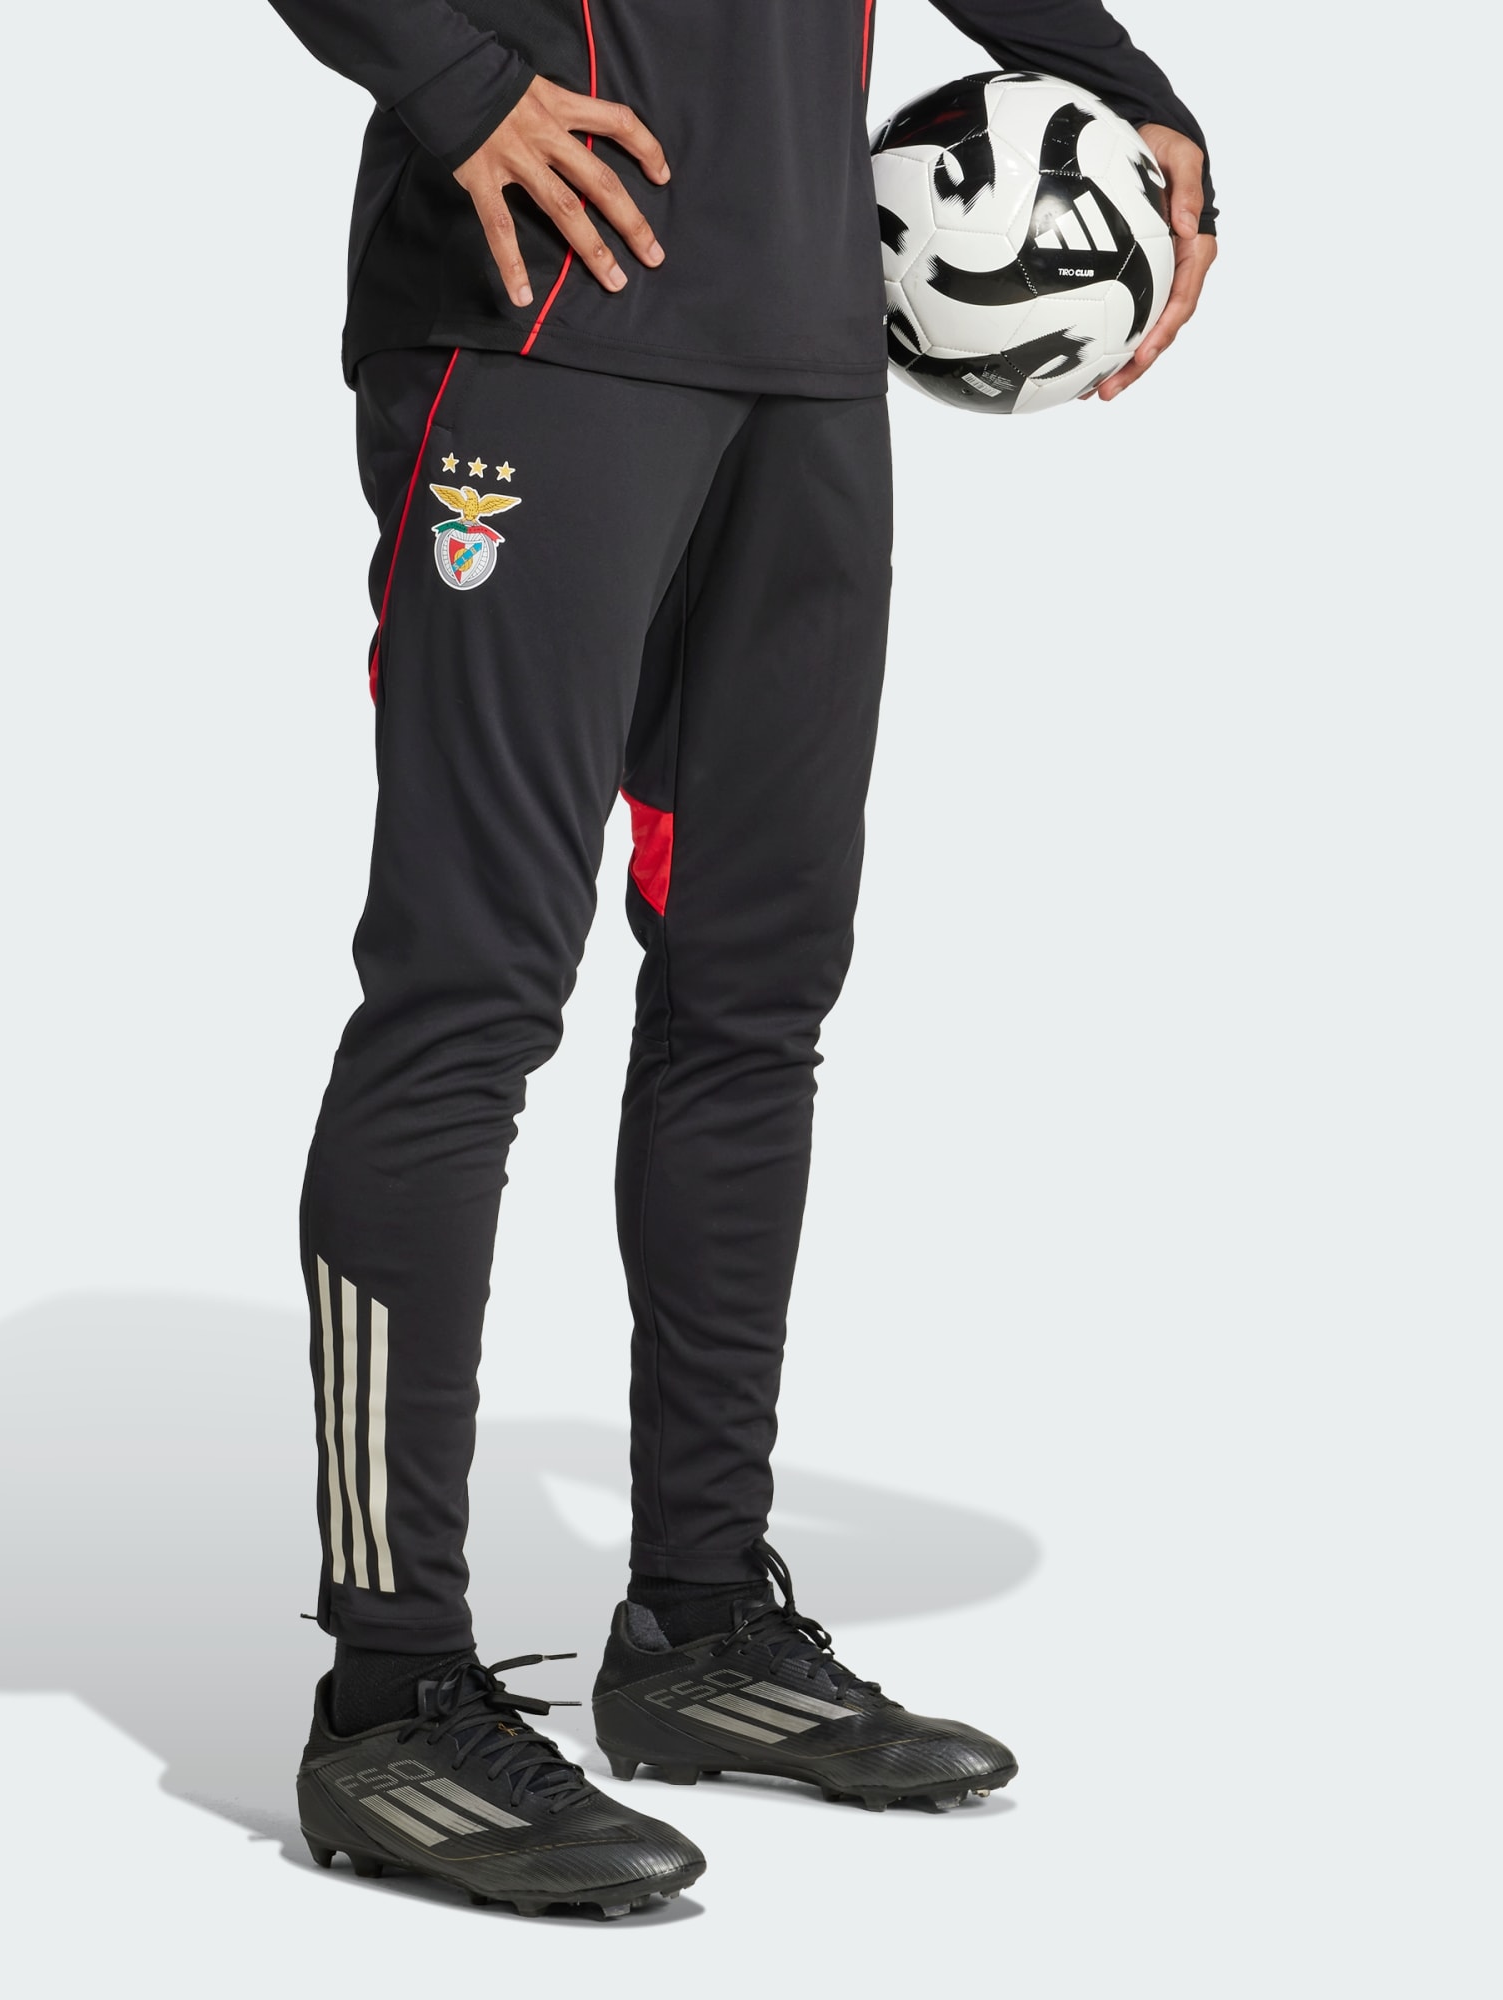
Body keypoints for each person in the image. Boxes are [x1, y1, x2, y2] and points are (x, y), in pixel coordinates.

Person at [268, 0, 1216, 1915]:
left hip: (806, 344)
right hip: (541, 321)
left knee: (753, 997)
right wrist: (456, 86)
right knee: (469, 996)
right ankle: (388, 1701)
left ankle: (699, 1625)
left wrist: (1123, 82)